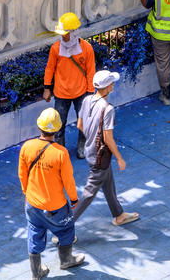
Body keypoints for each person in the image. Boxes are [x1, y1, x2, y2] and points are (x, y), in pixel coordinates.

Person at [18, 108, 85, 279]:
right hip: (56, 206)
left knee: (34, 233)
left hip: (32, 204)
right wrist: (74, 199)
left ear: (39, 126)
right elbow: (68, 181)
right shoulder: (60, 153)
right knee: (66, 230)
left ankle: (37, 272)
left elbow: (22, 174)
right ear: (57, 129)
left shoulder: (27, 147)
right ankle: (67, 260)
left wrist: (28, 193)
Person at [73, 70, 140, 226]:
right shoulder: (108, 109)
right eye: (112, 83)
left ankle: (119, 214)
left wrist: (91, 137)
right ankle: (64, 228)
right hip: (100, 156)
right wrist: (119, 157)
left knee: (108, 182)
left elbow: (80, 125)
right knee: (89, 194)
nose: (113, 85)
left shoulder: (87, 100)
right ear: (108, 86)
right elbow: (108, 138)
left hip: (91, 151)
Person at [43, 12, 96, 158]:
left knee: (84, 123)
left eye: (66, 33)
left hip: (82, 93)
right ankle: (60, 152)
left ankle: (82, 147)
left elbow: (91, 71)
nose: (64, 36)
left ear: (74, 33)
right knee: (58, 125)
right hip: (61, 93)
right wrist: (47, 88)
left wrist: (90, 92)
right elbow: (50, 68)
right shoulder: (55, 49)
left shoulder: (86, 49)